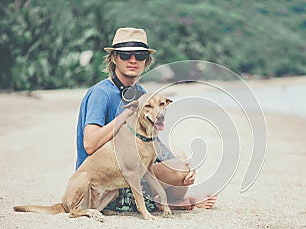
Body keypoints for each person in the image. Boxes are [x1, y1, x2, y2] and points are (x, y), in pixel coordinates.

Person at [76, 27, 216, 213]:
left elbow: (150, 141)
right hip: (106, 184)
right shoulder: (101, 94)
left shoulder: (140, 93)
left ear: (146, 61)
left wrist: (183, 165)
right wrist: (125, 114)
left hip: (133, 166)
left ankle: (165, 200)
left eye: (140, 55)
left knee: (181, 158)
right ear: (114, 58)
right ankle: (169, 202)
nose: (133, 60)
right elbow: (90, 144)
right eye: (125, 55)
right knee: (178, 171)